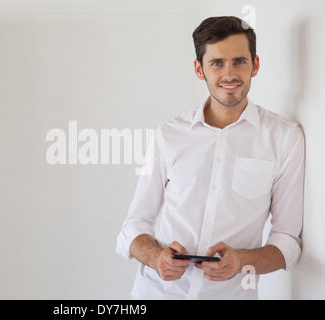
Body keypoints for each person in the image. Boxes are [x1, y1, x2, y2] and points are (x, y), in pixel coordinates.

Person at [116, 16, 305, 299]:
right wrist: (156, 257)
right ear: (199, 69)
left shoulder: (285, 138)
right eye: (217, 63)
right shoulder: (169, 134)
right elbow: (134, 226)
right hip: (156, 293)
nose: (229, 74)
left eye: (239, 61)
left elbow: (288, 242)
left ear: (255, 65)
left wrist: (241, 261)